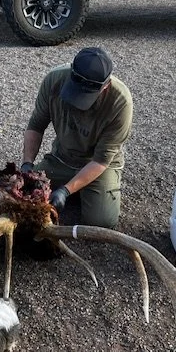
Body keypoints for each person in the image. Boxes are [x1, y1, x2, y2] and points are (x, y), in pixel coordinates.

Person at [21, 47, 133, 228]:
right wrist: (27, 165)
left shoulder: (120, 103)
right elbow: (35, 126)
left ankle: (80, 189)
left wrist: (65, 191)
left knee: (101, 221)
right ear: (71, 71)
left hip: (97, 165)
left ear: (105, 86)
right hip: (62, 158)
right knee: (25, 195)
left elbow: (101, 161)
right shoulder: (54, 80)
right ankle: (77, 189)